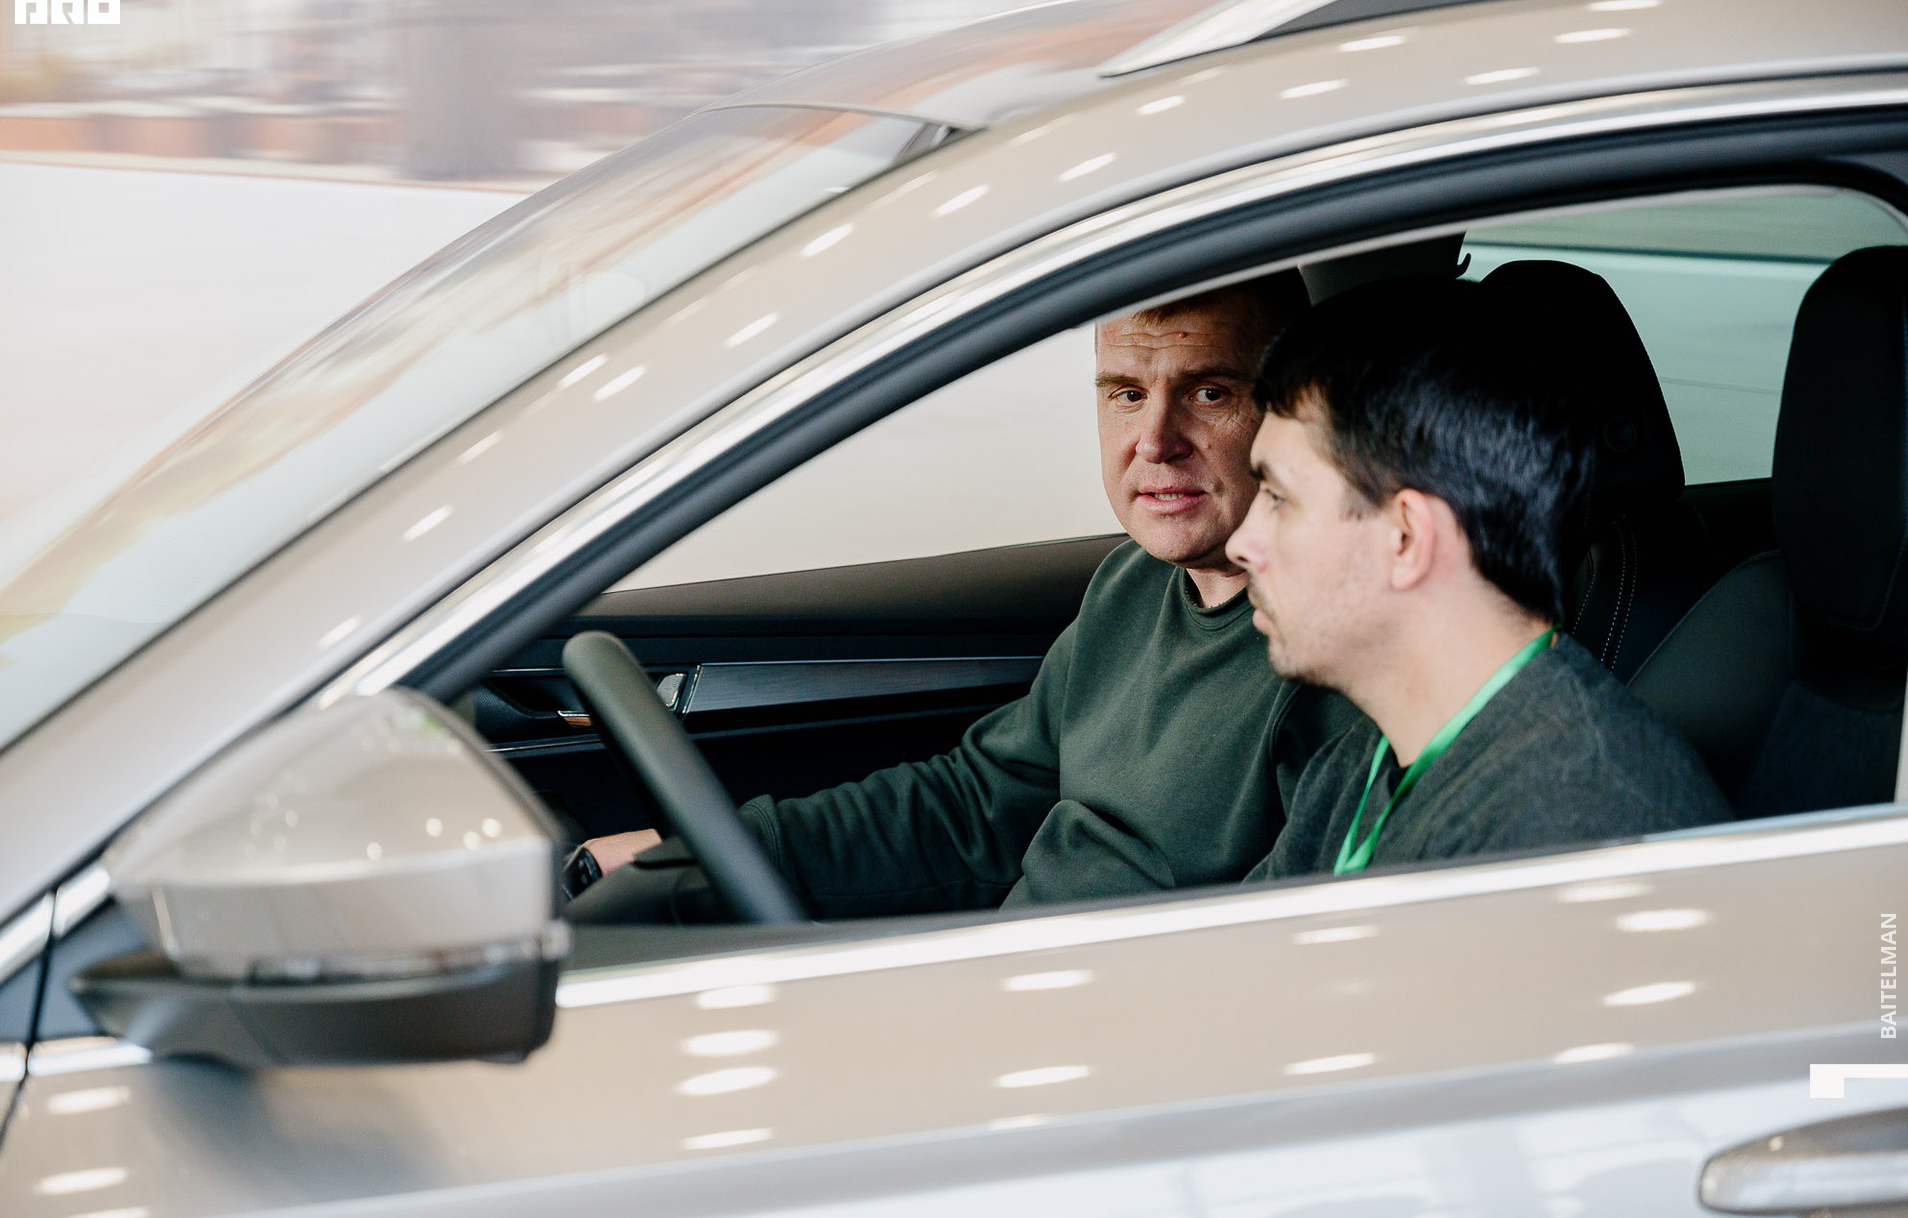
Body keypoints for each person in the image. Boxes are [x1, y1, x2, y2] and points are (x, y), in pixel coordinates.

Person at [585, 273, 1355, 915]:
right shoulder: (1130, 585)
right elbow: (979, 806)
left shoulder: (1329, 659)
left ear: (1289, 410)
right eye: (1125, 394)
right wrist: (709, 852)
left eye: (1209, 393)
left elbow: (1262, 959)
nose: (1154, 440)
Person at [1226, 276, 1731, 881]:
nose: (1240, 545)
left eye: (1278, 498)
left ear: (1407, 538)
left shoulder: (1578, 828)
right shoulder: (1361, 764)